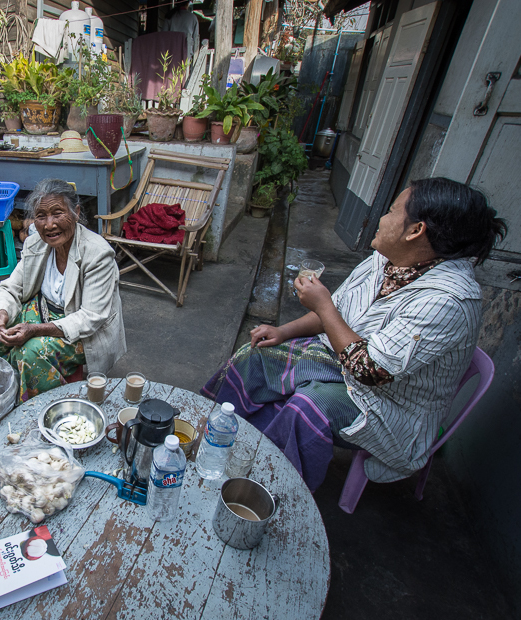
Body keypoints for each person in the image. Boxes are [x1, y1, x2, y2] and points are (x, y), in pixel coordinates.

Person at [201, 178, 506, 492]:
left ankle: (270, 487)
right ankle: (214, 435)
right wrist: (282, 331)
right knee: (258, 353)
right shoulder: (387, 260)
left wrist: (323, 305)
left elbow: (370, 370)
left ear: (416, 231)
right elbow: (339, 312)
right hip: (344, 363)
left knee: (308, 406)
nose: (381, 220)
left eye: (390, 212)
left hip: (388, 406)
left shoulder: (447, 301)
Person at [0, 179, 126, 402]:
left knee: (30, 351)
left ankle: (30, 410)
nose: (49, 224)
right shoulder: (36, 243)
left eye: (57, 213)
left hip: (81, 329)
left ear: (76, 212)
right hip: (40, 311)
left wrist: (35, 329)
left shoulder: (97, 254)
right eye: (41, 216)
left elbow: (90, 317)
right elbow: (13, 287)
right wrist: (2, 312)